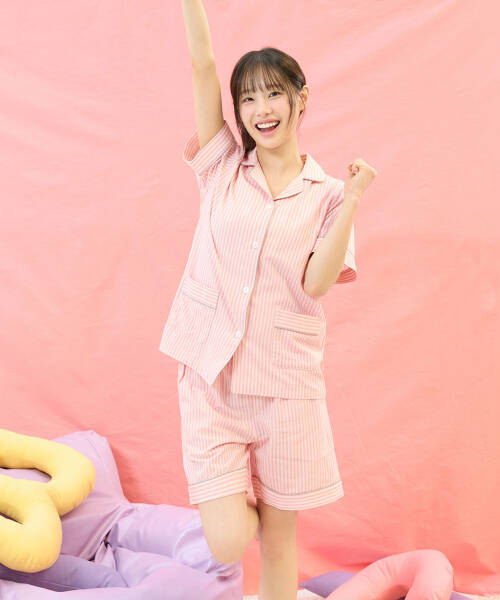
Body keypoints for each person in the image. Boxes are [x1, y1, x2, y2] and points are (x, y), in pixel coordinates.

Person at [159, 1, 377, 598]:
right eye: (248, 99)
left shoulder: (327, 194)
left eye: (273, 94)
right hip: (213, 377)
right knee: (229, 541)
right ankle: (244, 495)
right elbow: (203, 66)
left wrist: (354, 198)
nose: (261, 110)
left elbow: (318, 283)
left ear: (301, 98)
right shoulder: (222, 168)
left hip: (286, 386)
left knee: (281, 541)